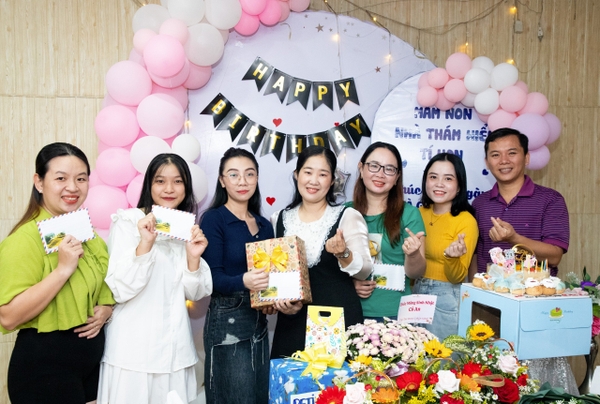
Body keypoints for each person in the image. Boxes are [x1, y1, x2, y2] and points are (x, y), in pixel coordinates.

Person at [0, 142, 115, 404]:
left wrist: (107, 310)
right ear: (39, 182)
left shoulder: (89, 235)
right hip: (43, 372)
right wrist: (62, 270)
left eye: (81, 179)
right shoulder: (24, 239)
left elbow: (105, 286)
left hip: (91, 369)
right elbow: (8, 317)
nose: (73, 187)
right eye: (61, 178)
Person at [98, 153, 212, 404]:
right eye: (160, 181)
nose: (169, 189)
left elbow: (196, 293)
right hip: (133, 353)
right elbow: (120, 289)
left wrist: (193, 257)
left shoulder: (185, 229)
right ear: (149, 184)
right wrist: (145, 244)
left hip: (175, 350)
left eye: (178, 181)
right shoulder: (128, 221)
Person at [469, 127, 576, 394]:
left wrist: (514, 238)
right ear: (487, 161)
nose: (503, 160)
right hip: (490, 312)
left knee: (536, 387)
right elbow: (476, 256)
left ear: (526, 157)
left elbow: (555, 253)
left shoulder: (550, 200)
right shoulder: (480, 204)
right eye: (495, 154)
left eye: (512, 153)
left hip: (536, 313)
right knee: (490, 384)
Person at [270, 145, 373, 358]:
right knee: (290, 378)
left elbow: (365, 271)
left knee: (336, 380)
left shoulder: (347, 216)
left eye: (323, 174)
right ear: (297, 175)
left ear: (332, 180)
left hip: (336, 325)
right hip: (292, 326)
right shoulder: (278, 218)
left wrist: (343, 253)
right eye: (308, 172)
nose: (314, 181)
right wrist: (281, 304)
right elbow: (275, 276)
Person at [200, 148, 274, 404]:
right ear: (222, 181)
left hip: (259, 322)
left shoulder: (265, 225)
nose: (242, 181)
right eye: (233, 175)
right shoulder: (213, 219)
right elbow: (211, 278)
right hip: (227, 321)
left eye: (249, 174)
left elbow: (270, 276)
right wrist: (244, 281)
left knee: (258, 397)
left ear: (257, 178)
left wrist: (271, 301)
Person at [349, 142, 426, 321]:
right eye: (374, 166)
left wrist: (413, 254)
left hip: (395, 314)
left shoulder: (410, 214)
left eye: (389, 169)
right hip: (352, 310)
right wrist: (350, 283)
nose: (380, 174)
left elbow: (416, 273)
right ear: (361, 168)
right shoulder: (345, 213)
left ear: (397, 176)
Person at [413, 153, 478, 341]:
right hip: (416, 293)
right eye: (433, 177)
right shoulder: (418, 213)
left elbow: (457, 277)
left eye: (448, 179)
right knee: (412, 354)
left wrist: (452, 258)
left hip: (446, 297)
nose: (439, 184)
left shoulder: (466, 221)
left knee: (442, 357)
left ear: (459, 186)